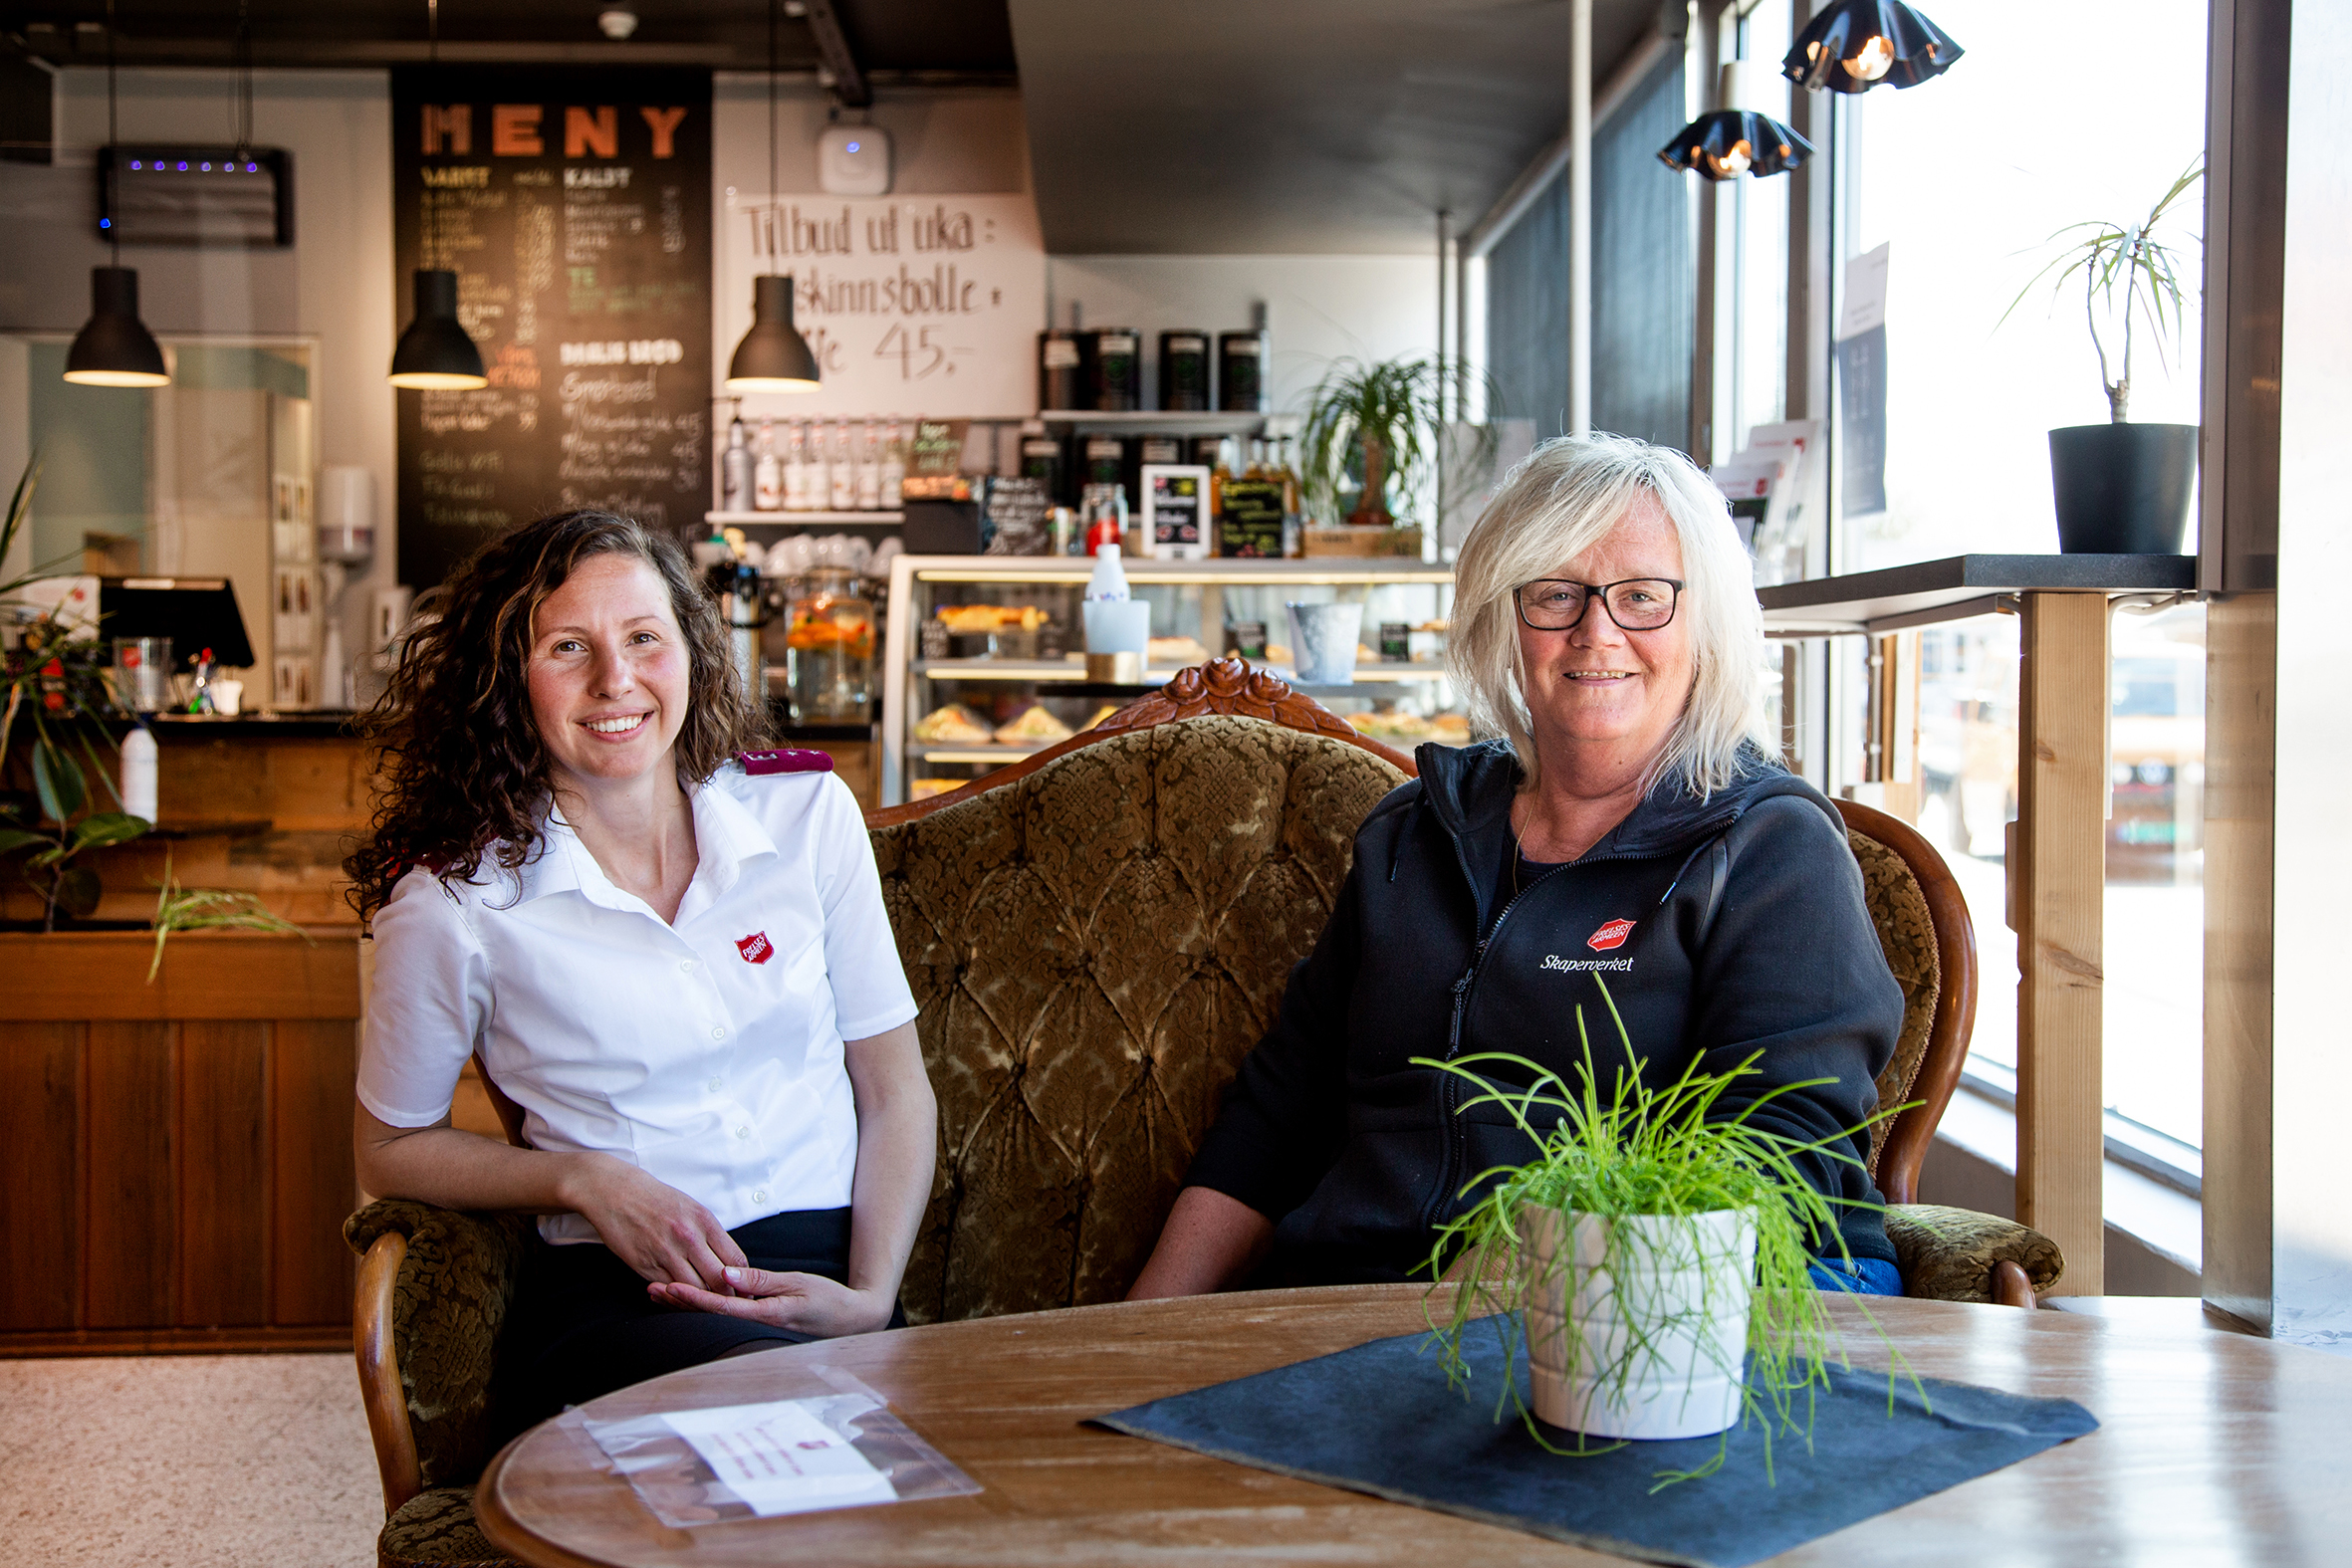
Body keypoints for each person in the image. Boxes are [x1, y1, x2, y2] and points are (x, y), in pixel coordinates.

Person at [1128, 434, 1906, 1299]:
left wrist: (1530, 1274)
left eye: (1644, 596)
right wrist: (1129, 1339)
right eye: (1556, 593)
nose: (1596, 630)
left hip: (1647, 1322)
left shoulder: (1771, 849)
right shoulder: (1410, 835)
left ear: (1707, 622)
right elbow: (1278, 1115)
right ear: (1508, 616)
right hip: (1360, 1312)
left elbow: (1777, 1149)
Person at [348, 510, 935, 1436]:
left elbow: (895, 1090)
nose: (615, 680)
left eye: (644, 638)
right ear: (508, 681)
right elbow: (386, 1149)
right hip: (625, 1299)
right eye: (568, 647)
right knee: (780, 1453)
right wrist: (583, 1180)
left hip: (829, 1285)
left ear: (693, 651)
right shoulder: (455, 899)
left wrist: (869, 1295)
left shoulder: (806, 812)